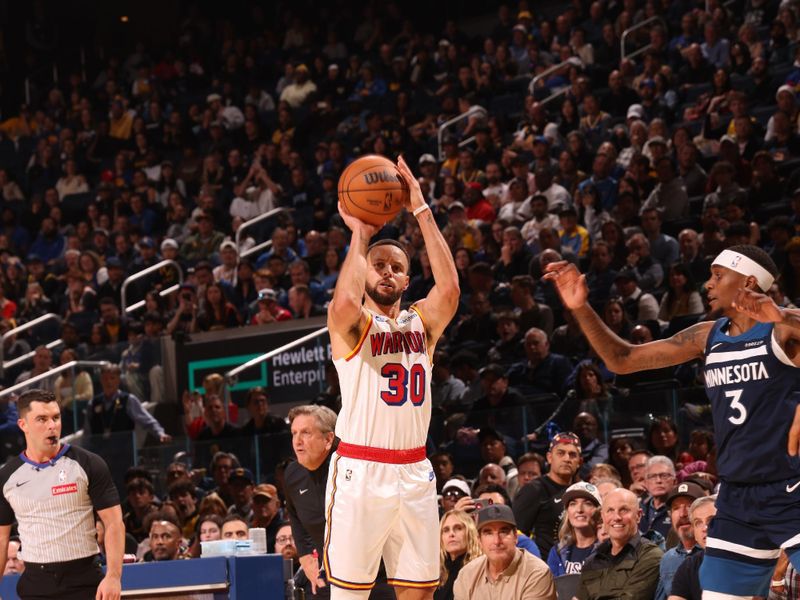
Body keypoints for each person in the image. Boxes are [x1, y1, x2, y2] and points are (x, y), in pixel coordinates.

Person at [544, 244, 800, 598]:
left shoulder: (783, 329)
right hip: (738, 496)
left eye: (718, 275)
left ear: (750, 282)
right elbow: (622, 359)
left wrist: (784, 317)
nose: (707, 285)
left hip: (790, 486)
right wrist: (581, 308)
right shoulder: (707, 335)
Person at [324, 156, 459, 597]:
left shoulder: (423, 324)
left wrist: (421, 208)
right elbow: (341, 306)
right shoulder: (354, 326)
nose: (386, 271)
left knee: (419, 591)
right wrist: (359, 236)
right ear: (364, 270)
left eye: (396, 268)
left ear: (406, 281)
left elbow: (451, 291)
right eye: (378, 264)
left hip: (415, 469)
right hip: (361, 469)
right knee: (349, 593)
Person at [0, 388, 124, 599]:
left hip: (84, 581)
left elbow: (114, 524)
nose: (52, 426)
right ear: (23, 425)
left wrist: (113, 576)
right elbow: (1, 539)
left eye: (56, 418)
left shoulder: (88, 463)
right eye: (42, 419)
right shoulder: (7, 476)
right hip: (34, 584)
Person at [452, 504, 557, 599]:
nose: (497, 541)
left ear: (515, 536)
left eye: (503, 532)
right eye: (488, 533)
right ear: (479, 540)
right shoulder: (467, 575)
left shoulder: (537, 574)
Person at [576, 488, 663, 599]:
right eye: (610, 510)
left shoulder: (650, 556)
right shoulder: (593, 560)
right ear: (603, 517)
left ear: (638, 515)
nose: (616, 517)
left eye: (624, 510)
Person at [513, 432, 582, 557]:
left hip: (578, 566)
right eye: (561, 453)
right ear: (549, 458)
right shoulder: (533, 490)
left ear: (579, 462)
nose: (567, 459)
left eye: (572, 455)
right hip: (546, 568)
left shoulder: (583, 491)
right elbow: (515, 532)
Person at [655, 482, 706, 600]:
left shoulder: (715, 555)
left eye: (689, 506)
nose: (683, 514)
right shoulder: (668, 558)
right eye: (676, 508)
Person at [546, 481, 602, 577]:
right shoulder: (557, 552)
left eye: (587, 503)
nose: (579, 509)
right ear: (567, 512)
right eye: (573, 504)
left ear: (598, 511)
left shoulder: (607, 550)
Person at [668, 495, 717, 600]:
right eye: (698, 523)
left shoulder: (750, 560)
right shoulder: (689, 566)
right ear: (694, 532)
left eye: (711, 520)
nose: (705, 528)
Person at [435, 510, 482, 600]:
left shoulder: (479, 568)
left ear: (470, 533)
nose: (451, 534)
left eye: (458, 528)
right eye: (446, 530)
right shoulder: (437, 571)